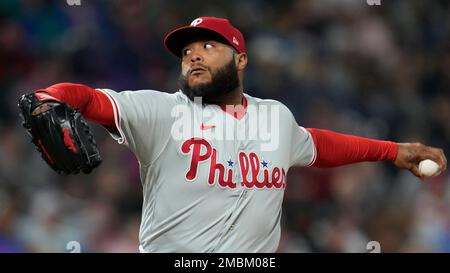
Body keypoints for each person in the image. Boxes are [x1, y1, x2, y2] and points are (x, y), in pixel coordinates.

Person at [29, 17, 446, 253]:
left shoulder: (275, 117)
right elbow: (86, 98)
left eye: (208, 46)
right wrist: (49, 98)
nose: (193, 54)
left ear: (240, 59)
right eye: (187, 51)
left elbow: (317, 146)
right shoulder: (159, 111)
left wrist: (394, 150)